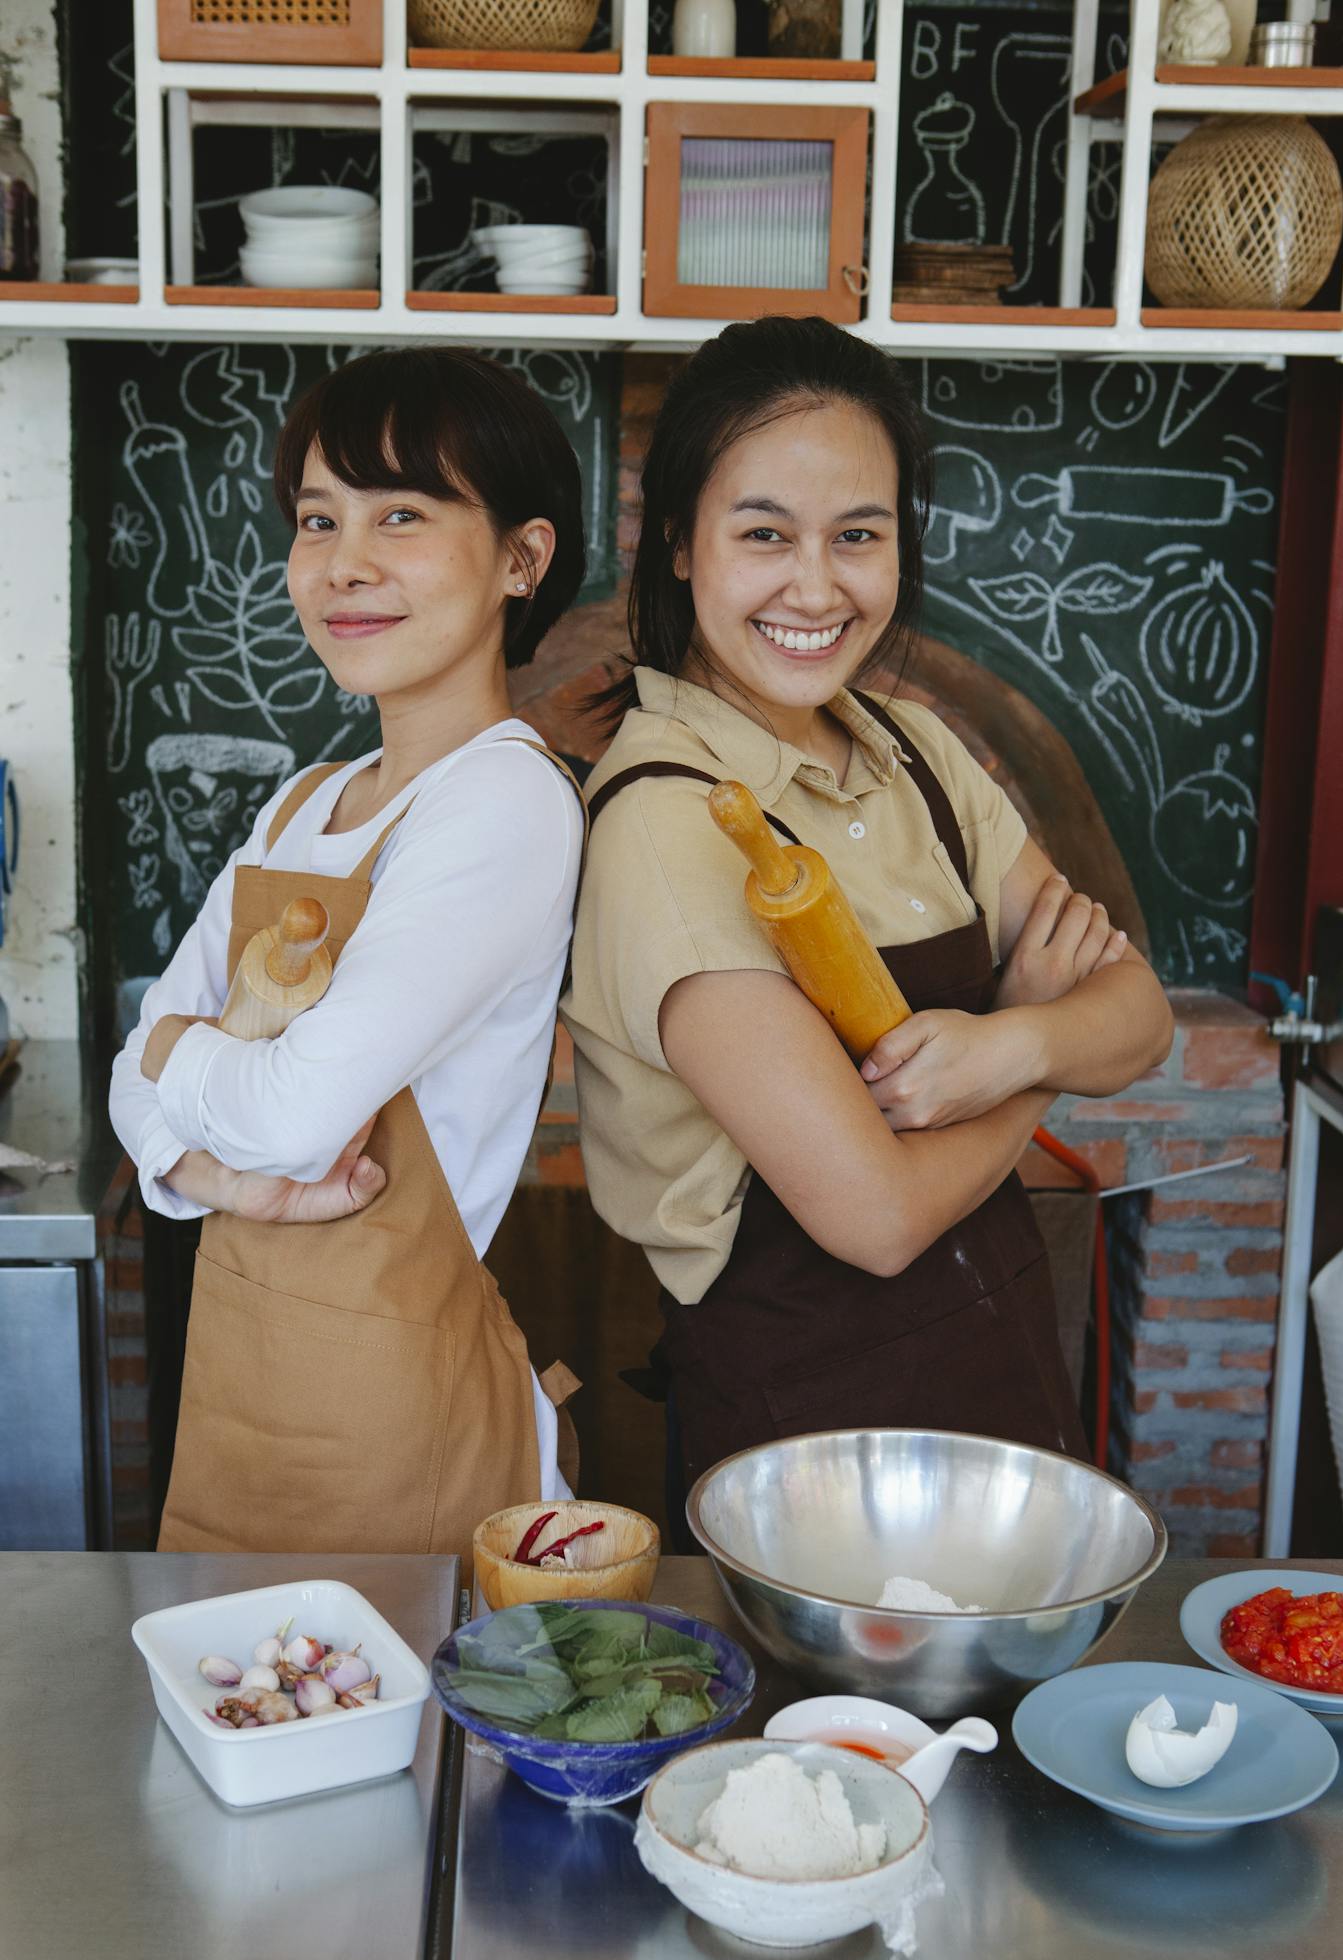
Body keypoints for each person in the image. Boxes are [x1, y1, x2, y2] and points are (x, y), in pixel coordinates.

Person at [562, 316, 1174, 1536]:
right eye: (764, 535)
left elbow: (1141, 1017)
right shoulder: (666, 825)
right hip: (808, 1468)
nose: (815, 585)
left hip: (1002, 1402)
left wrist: (1005, 1050)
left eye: (858, 536)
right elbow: (879, 1218)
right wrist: (1033, 1031)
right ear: (679, 542)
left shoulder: (915, 751)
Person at [109, 347, 586, 1557]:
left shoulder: (504, 803)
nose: (344, 563)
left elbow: (292, 1113)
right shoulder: (307, 804)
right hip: (241, 1398)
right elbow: (135, 1086)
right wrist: (213, 1174)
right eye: (319, 518)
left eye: (403, 516)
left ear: (521, 560)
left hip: (400, 1430)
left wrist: (181, 1053)